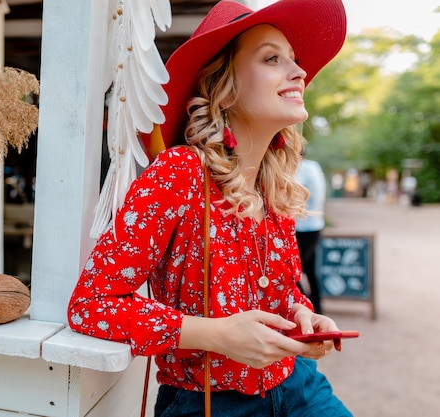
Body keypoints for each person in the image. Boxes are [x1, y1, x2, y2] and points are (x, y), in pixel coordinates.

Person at [68, 1, 352, 416]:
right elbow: (91, 305)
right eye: (273, 58)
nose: (299, 72)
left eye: (294, 60)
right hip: (209, 402)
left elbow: (279, 290)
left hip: (298, 386)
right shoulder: (178, 174)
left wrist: (302, 317)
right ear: (226, 84)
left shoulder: (273, 187)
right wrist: (215, 335)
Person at [295, 157, 327, 314]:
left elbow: (288, 191)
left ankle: (308, 307)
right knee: (311, 272)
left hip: (301, 227)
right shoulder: (314, 165)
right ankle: (318, 310)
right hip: (315, 225)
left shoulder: (300, 169)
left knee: (294, 274)